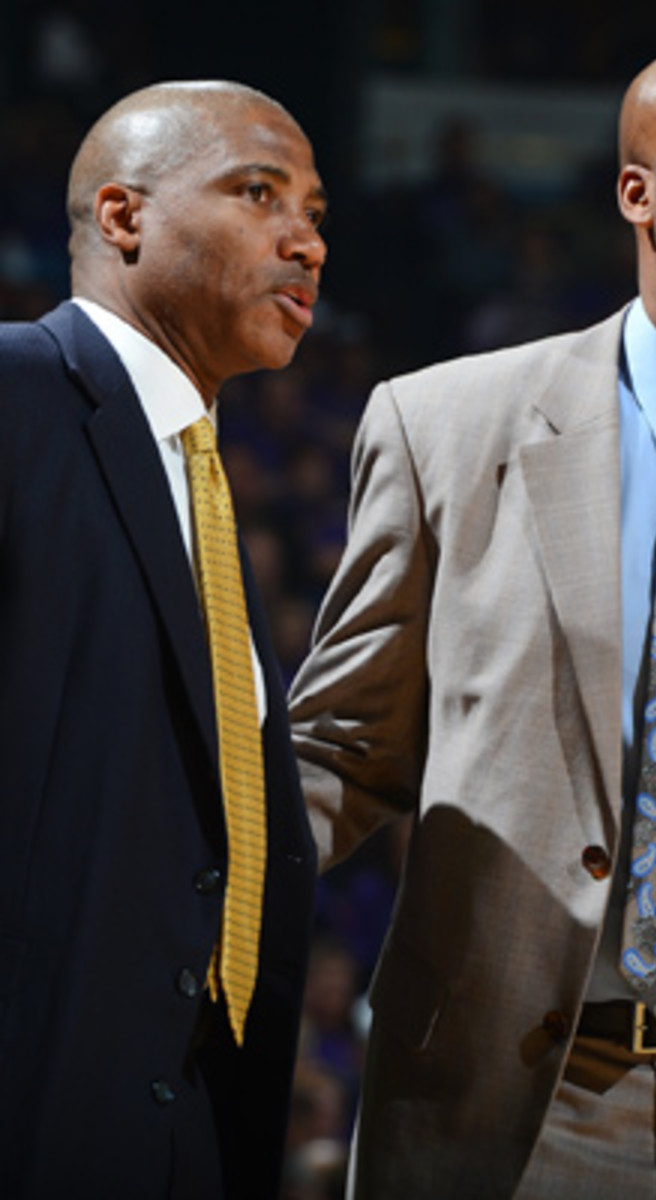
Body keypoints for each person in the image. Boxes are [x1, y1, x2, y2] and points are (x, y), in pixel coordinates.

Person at [289, 30, 656, 1200]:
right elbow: (343, 754)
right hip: (501, 1112)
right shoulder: (442, 428)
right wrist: (175, 890)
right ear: (636, 192)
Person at [0, 79, 327, 1197]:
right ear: (125, 216)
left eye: (318, 214)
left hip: (188, 1121)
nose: (307, 242)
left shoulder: (199, 471)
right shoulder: (17, 391)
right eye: (259, 193)